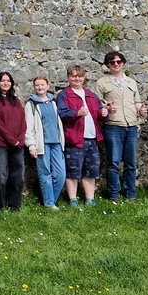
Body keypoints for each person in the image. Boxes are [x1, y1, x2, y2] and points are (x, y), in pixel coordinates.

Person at [94, 51, 148, 202]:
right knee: (113, 161)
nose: (116, 64)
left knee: (131, 162)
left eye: (118, 62)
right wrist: (106, 109)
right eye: (112, 62)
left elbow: (137, 102)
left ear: (123, 63)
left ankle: (131, 193)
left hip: (131, 125)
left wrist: (141, 110)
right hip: (113, 126)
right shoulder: (102, 82)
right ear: (108, 65)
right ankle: (114, 193)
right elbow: (98, 104)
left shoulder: (131, 82)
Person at [56, 65, 106, 208]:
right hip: (74, 138)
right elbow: (61, 113)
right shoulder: (64, 95)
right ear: (68, 78)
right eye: (73, 76)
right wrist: (77, 113)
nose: (76, 78)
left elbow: (99, 113)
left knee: (91, 170)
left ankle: (90, 199)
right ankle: (73, 199)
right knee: (73, 170)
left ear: (84, 78)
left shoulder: (91, 95)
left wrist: (105, 113)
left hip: (92, 138)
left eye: (79, 76)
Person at [0, 71, 26, 212]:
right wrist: (11, 140)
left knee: (17, 176)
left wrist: (19, 139)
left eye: (8, 80)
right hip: (0, 143)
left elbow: (22, 122)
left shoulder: (16, 100)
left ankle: (14, 205)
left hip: (17, 144)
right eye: (2, 80)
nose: (5, 83)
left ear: (12, 83)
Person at [24, 75, 66, 210]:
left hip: (57, 143)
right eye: (37, 85)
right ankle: (49, 203)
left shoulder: (53, 102)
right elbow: (28, 127)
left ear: (48, 86)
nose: (40, 87)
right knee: (45, 173)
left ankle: (51, 199)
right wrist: (31, 145)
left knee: (61, 174)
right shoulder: (31, 104)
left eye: (42, 85)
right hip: (42, 144)